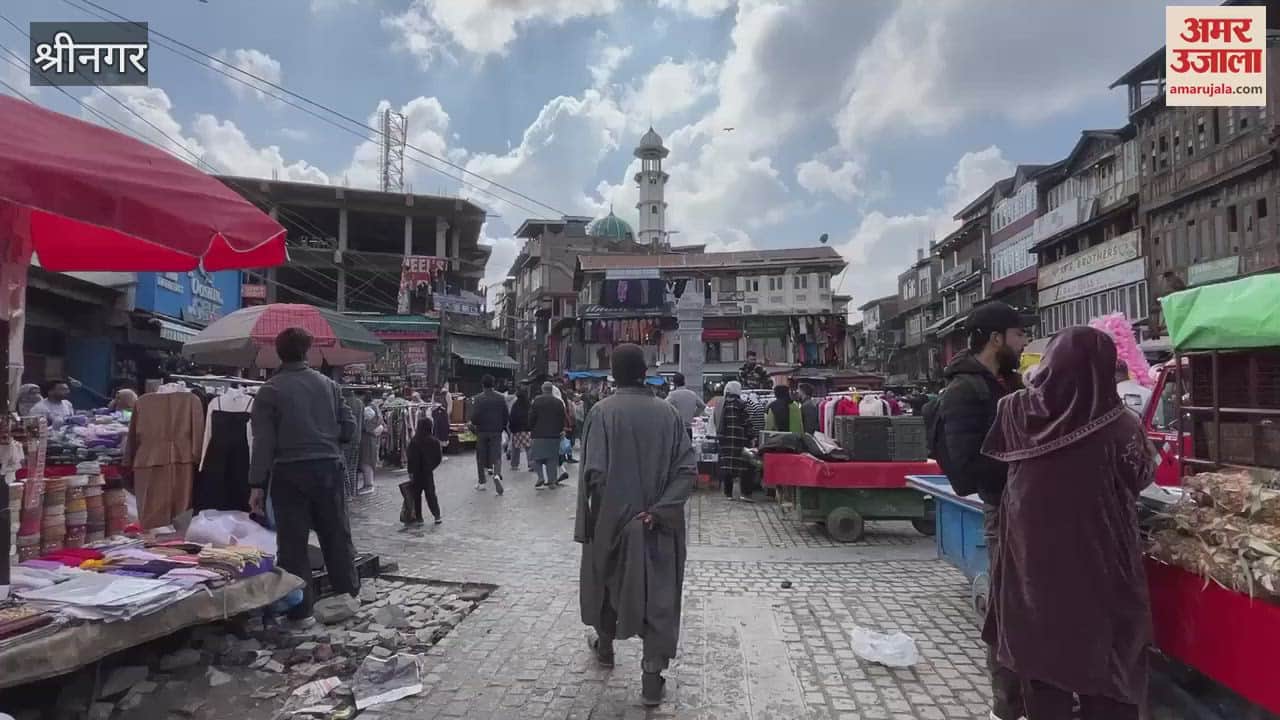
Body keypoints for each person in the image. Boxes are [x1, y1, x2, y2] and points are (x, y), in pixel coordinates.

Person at [981, 326, 1155, 720]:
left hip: (1030, 567)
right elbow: (1141, 477)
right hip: (1100, 566)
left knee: (1041, 664)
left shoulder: (1014, 412)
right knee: (1109, 670)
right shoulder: (1120, 425)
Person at [575, 343, 696, 707]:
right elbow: (686, 471)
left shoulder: (601, 413)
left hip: (611, 523)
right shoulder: (669, 414)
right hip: (658, 526)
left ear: (613, 375)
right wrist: (656, 512)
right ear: (646, 373)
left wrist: (612, 510)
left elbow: (594, 474)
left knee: (605, 585)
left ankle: (605, 648)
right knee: (659, 596)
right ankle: (651, 680)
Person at [935, 300, 1029, 720]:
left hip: (1028, 507)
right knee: (1007, 610)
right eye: (1019, 335)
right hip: (1002, 511)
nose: (1024, 343)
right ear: (996, 339)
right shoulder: (965, 391)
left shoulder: (1005, 383)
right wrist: (1024, 463)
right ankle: (1006, 707)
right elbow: (968, 467)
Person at [248, 328, 360, 625]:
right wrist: (327, 438)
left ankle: (301, 611)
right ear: (307, 352)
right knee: (336, 533)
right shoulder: (329, 385)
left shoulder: (270, 390)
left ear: (279, 354)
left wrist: (257, 484)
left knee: (293, 543)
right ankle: (348, 596)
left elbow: (263, 442)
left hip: (289, 472)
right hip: (328, 468)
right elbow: (350, 428)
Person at [714, 381, 755, 502]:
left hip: (724, 439)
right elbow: (747, 422)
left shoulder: (721, 404)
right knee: (743, 466)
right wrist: (752, 436)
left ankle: (728, 493)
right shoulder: (741, 404)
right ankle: (744, 493)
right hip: (739, 440)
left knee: (727, 465)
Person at [468, 375, 509, 494]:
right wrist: (502, 427)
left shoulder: (478, 398)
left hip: (482, 431)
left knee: (480, 456)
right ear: (494, 384)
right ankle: (496, 474)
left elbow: (474, 417)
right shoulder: (501, 398)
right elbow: (506, 415)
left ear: (482, 385)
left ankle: (482, 482)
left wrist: (473, 423)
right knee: (496, 455)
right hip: (496, 431)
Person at [404, 415, 444, 525]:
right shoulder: (434, 441)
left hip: (416, 473)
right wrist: (430, 467)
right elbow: (438, 458)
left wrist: (410, 472)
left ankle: (419, 518)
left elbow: (410, 458)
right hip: (427, 473)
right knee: (431, 494)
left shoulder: (414, 441)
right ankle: (437, 515)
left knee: (417, 496)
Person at [529, 382, 568, 489]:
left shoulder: (537, 401)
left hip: (538, 434)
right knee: (552, 460)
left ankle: (540, 477)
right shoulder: (558, 402)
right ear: (551, 389)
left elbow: (532, 417)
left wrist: (531, 428)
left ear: (543, 389)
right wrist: (560, 430)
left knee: (535, 458)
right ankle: (552, 482)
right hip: (554, 435)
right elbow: (562, 419)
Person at [356, 390, 383, 495]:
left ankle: (368, 484)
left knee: (366, 460)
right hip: (370, 437)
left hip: (367, 437)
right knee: (368, 459)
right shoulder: (374, 406)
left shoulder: (368, 408)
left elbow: (367, 424)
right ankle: (368, 484)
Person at [665, 372, 705, 436]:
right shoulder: (692, 394)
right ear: (684, 381)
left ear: (674, 383)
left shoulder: (673, 395)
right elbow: (702, 406)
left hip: (677, 429)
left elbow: (663, 406)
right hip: (688, 429)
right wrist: (694, 415)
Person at [508, 387, 532, 471]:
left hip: (517, 429)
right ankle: (531, 464)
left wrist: (511, 428)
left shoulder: (515, 405)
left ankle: (514, 464)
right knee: (529, 447)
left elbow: (512, 417)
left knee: (515, 448)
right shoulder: (528, 404)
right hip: (527, 429)